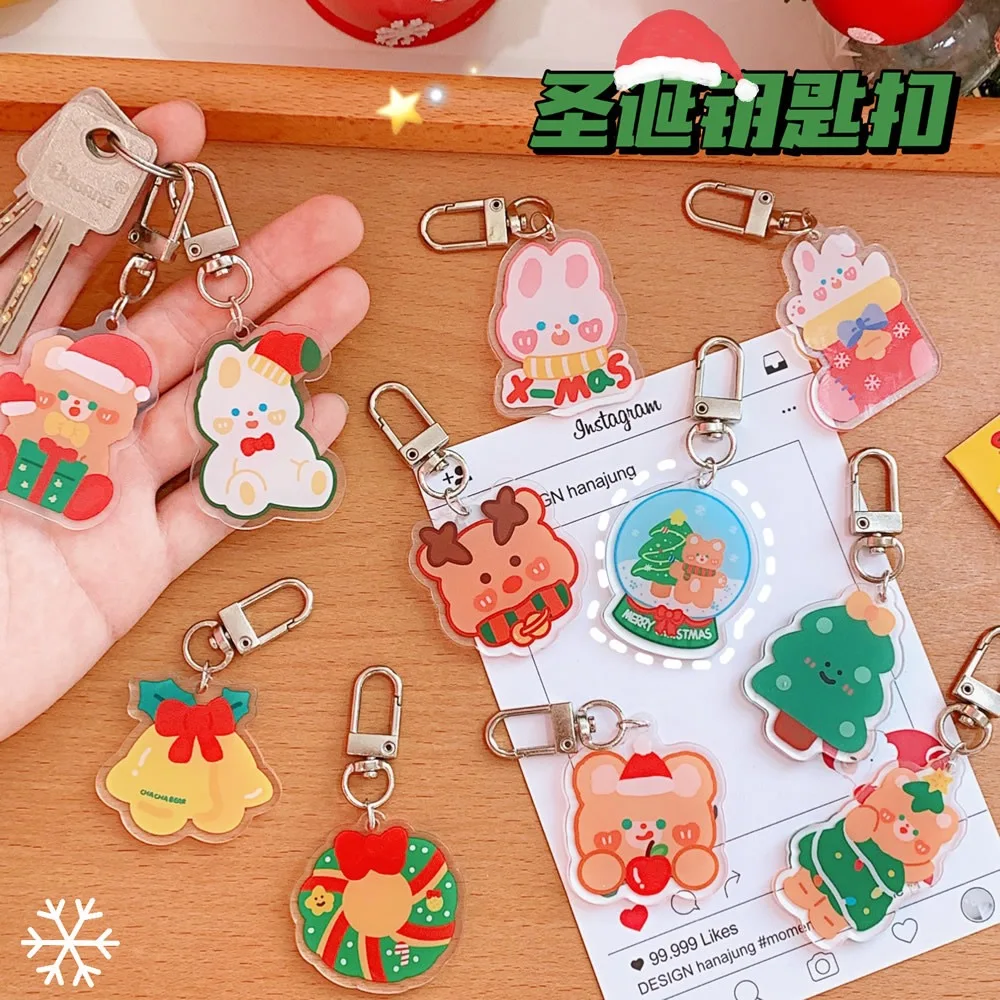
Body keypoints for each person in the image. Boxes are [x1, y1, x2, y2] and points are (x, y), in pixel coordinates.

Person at [0, 99, 370, 741]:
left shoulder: (105, 427)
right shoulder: (44, 386)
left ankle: (289, 473)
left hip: (79, 475)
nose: (84, 408)